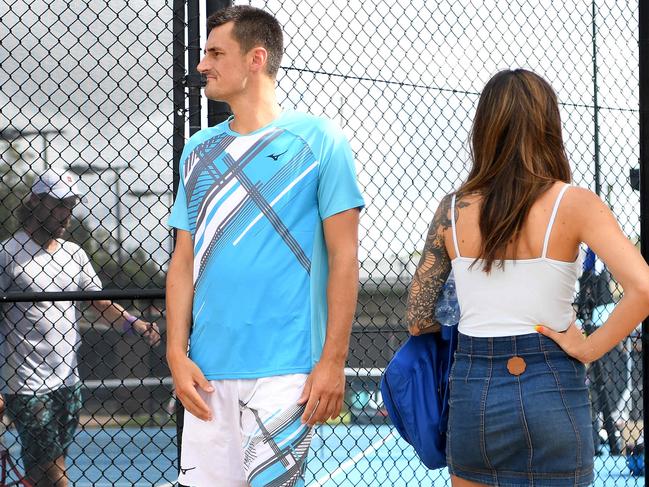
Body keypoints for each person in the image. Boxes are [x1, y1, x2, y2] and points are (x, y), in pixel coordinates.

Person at [406, 69, 649, 486]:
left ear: (484, 129)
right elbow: (643, 288)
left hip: (474, 386)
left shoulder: (453, 210)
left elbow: (417, 314)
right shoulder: (575, 204)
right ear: (548, 126)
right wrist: (589, 348)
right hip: (551, 381)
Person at [166, 6, 364, 487]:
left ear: (256, 59)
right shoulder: (199, 150)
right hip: (207, 373)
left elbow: (345, 258)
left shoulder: (319, 140)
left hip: (286, 373)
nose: (201, 64)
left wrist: (332, 362)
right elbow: (182, 260)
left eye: (215, 52)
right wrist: (176, 352)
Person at [0, 167, 161, 487]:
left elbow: (98, 303)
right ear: (36, 202)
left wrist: (135, 324)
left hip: (68, 382)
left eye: (70, 204)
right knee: (52, 467)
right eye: (58, 204)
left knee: (44, 468)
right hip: (25, 385)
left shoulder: (74, 255)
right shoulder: (7, 254)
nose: (66, 213)